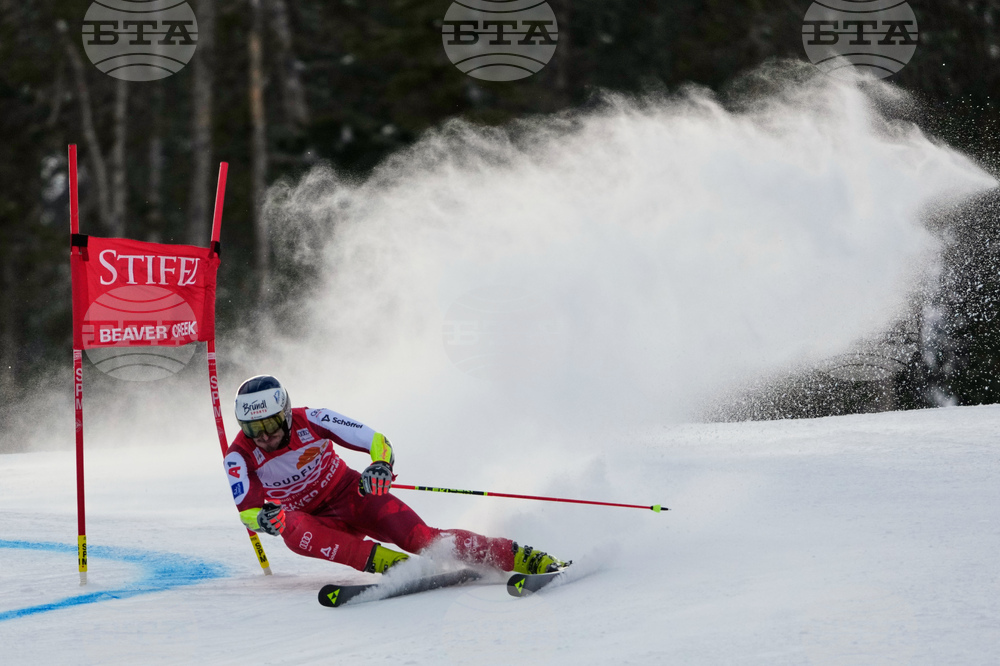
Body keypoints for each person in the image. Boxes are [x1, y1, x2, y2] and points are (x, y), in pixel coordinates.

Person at [224, 374, 567, 575]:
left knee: (422, 538)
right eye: (252, 428)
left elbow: (375, 440)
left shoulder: (313, 418)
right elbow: (248, 513)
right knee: (292, 528)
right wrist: (265, 519)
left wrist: (379, 465)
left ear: (284, 414)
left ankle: (525, 558)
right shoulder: (239, 455)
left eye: (269, 424)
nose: (264, 436)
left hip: (351, 497)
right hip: (310, 520)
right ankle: (401, 569)